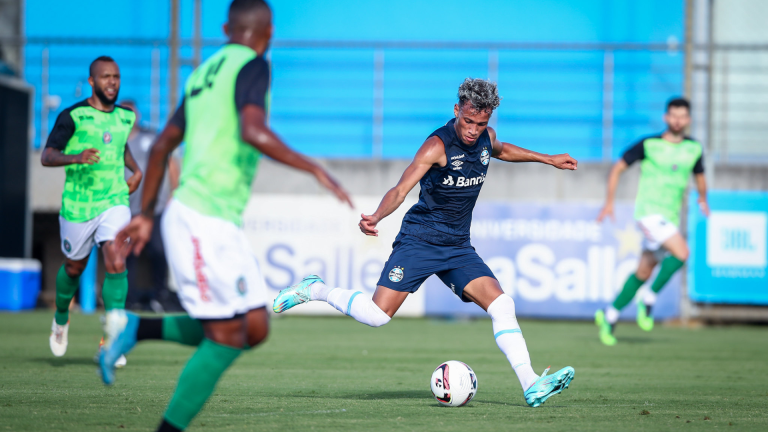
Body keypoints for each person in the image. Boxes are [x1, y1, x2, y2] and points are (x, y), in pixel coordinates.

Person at [101, 1, 352, 431]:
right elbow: (251, 130)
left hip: (213, 219)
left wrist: (146, 213)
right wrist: (313, 167)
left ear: (226, 28)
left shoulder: (202, 73)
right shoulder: (254, 65)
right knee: (226, 336)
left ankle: (136, 330)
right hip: (201, 218)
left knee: (254, 328)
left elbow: (162, 146)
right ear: (268, 32)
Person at [274, 78, 578, 407]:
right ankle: (315, 289)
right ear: (456, 110)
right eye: (468, 121)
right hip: (420, 240)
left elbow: (501, 149)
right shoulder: (437, 146)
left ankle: (531, 383)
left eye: (481, 123)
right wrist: (377, 216)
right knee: (377, 315)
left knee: (502, 305)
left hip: (458, 247)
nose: (474, 130)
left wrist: (547, 158)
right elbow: (401, 189)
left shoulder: (486, 138)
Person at [42, 56, 141, 368]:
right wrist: (76, 157)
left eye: (116, 77)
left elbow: (121, 147)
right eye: (105, 77)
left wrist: (135, 170)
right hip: (78, 205)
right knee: (74, 267)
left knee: (116, 258)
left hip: (114, 199)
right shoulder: (73, 116)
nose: (112, 82)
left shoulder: (125, 117)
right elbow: (47, 155)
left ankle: (110, 341)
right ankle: (60, 319)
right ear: (92, 81)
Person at [594, 97, 708, 346]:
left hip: (670, 218)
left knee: (644, 271)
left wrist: (703, 198)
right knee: (682, 252)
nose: (678, 120)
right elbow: (618, 168)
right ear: (666, 117)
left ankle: (609, 315)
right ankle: (649, 298)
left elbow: (700, 175)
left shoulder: (694, 148)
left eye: (682, 116)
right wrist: (609, 202)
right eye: (673, 115)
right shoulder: (649, 144)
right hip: (649, 214)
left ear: (688, 120)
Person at [121, 100, 182, 312]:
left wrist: (175, 191)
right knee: (128, 253)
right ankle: (128, 299)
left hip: (154, 209)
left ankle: (160, 295)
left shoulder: (151, 137)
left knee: (159, 250)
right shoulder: (114, 142)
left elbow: (170, 162)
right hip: (126, 208)